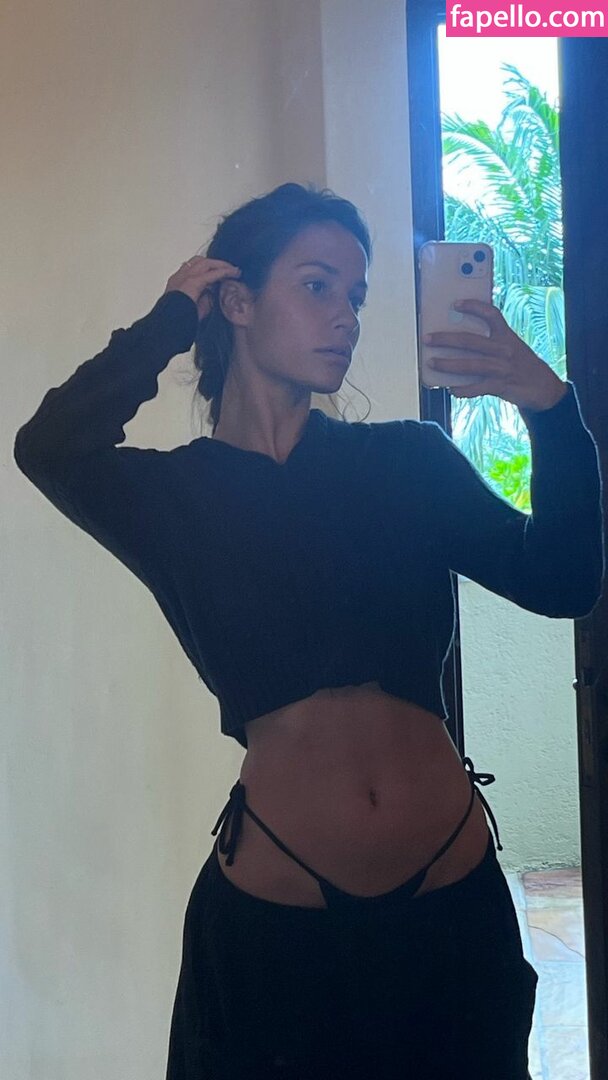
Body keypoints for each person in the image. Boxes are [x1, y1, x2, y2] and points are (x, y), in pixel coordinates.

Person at [14, 182, 604, 1080]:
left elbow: (563, 580)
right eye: (317, 285)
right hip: (276, 933)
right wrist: (170, 320)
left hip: (450, 913)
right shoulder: (177, 498)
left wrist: (552, 411)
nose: (346, 317)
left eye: (355, 296)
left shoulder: (406, 462)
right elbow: (50, 447)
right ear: (238, 301)